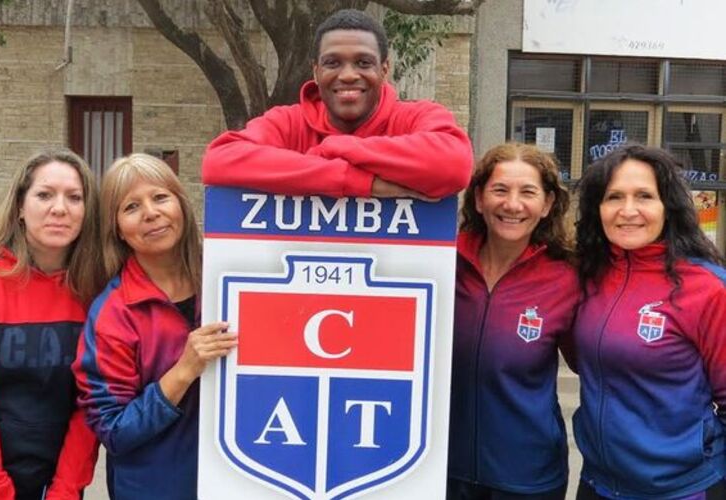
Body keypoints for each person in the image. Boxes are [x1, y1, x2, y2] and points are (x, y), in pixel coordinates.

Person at [73, 153, 238, 499]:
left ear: (181, 203)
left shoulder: (230, 279)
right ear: (116, 228)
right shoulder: (113, 313)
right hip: (154, 489)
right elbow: (114, 430)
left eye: (160, 197)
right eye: (131, 207)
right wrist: (183, 371)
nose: (151, 213)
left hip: (237, 481)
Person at [573, 144, 726, 499]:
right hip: (598, 484)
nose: (628, 211)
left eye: (644, 196)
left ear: (667, 207)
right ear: (598, 209)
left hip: (683, 488)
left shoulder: (708, 287)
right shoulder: (587, 276)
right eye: (614, 197)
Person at [201, 8, 472, 199]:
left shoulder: (416, 117)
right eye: (333, 63)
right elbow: (219, 161)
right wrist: (361, 182)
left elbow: (454, 164)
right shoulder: (287, 122)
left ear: (385, 69)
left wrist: (335, 146)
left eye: (364, 63)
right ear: (316, 71)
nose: (348, 75)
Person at [0, 149, 103, 499]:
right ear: (20, 207)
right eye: (44, 194)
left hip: (53, 485)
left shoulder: (93, 289)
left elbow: (91, 403)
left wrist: (65, 491)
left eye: (75, 197)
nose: (59, 208)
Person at [447, 143, 578, 500]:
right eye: (500, 190)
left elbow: (601, 363)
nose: (513, 204)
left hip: (528, 477)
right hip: (440, 469)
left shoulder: (567, 279)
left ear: (548, 204)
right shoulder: (442, 262)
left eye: (528, 192)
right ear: (478, 198)